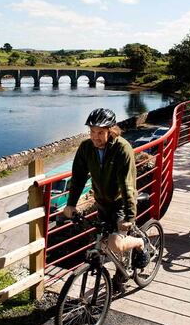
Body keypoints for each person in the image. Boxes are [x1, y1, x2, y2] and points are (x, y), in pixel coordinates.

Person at [63, 108, 149, 294]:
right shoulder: (86, 148)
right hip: (102, 202)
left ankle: (140, 243)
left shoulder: (122, 148)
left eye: (100, 132)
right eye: (92, 131)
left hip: (120, 202)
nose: (95, 136)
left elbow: (127, 184)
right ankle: (120, 276)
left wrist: (129, 216)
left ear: (111, 130)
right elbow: (78, 177)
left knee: (116, 243)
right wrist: (70, 204)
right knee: (103, 243)